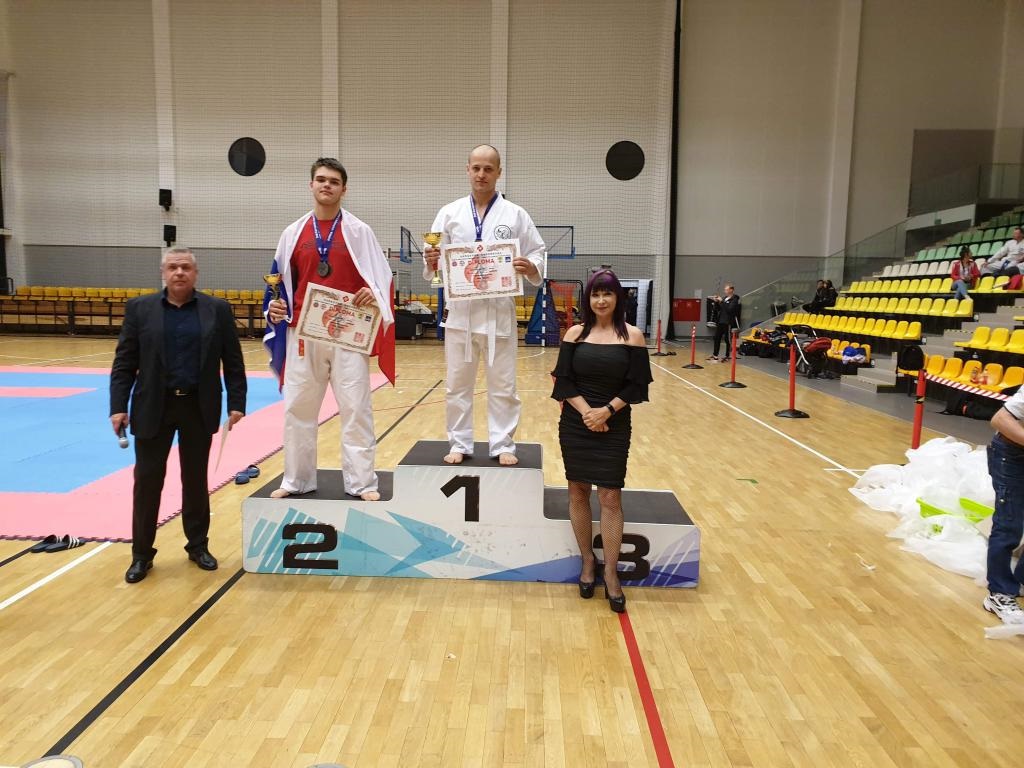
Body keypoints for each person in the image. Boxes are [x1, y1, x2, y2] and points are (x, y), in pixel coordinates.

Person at [110, 248, 246, 584]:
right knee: (147, 482)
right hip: (153, 406)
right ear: (163, 272)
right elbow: (124, 362)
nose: (179, 272)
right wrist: (118, 406)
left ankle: (198, 546)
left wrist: (237, 402)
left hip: (198, 406)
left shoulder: (217, 309)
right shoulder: (140, 309)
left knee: (195, 481)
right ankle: (141, 554)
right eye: (173, 267)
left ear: (195, 273)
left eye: (185, 267)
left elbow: (232, 359)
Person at [264, 158, 395, 501]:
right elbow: (278, 285)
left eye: (334, 181)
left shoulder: (360, 231)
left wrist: (373, 294)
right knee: (298, 409)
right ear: (311, 185)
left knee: (356, 409)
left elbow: (382, 280)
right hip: (303, 332)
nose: (327, 185)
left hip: (348, 334)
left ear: (343, 189)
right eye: (321, 179)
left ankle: (362, 483)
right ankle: (296, 480)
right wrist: (274, 309)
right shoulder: (293, 233)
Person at [423, 144, 545, 466]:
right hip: (460, 313)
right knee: (457, 384)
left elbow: (537, 251)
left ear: (498, 173)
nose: (481, 174)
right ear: (467, 170)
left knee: (503, 384)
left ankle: (502, 444)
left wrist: (531, 266)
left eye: (488, 169)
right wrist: (431, 259)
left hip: (498, 312)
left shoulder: (516, 215)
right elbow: (434, 257)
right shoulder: (449, 213)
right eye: (476, 168)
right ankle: (459, 443)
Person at [551, 269, 652, 613]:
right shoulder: (575, 334)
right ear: (588, 299)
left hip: (614, 422)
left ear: (618, 298)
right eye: (595, 294)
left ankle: (610, 571)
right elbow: (564, 381)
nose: (601, 300)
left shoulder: (633, 336)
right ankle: (587, 560)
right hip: (577, 423)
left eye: (607, 294)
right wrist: (587, 414)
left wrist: (606, 411)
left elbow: (637, 385)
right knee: (577, 491)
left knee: (610, 496)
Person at [984, 392, 1024, 624]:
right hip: (1012, 455)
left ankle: (1020, 581)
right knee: (1009, 525)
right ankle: (999, 593)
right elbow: (1000, 419)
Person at [707, 283, 741, 361]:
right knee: (717, 338)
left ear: (731, 290)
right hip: (720, 321)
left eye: (726, 289)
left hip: (728, 322)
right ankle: (715, 355)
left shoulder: (734, 300)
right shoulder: (725, 298)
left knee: (727, 339)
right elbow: (719, 309)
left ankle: (727, 355)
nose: (724, 291)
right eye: (725, 289)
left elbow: (729, 309)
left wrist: (722, 301)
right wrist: (716, 302)